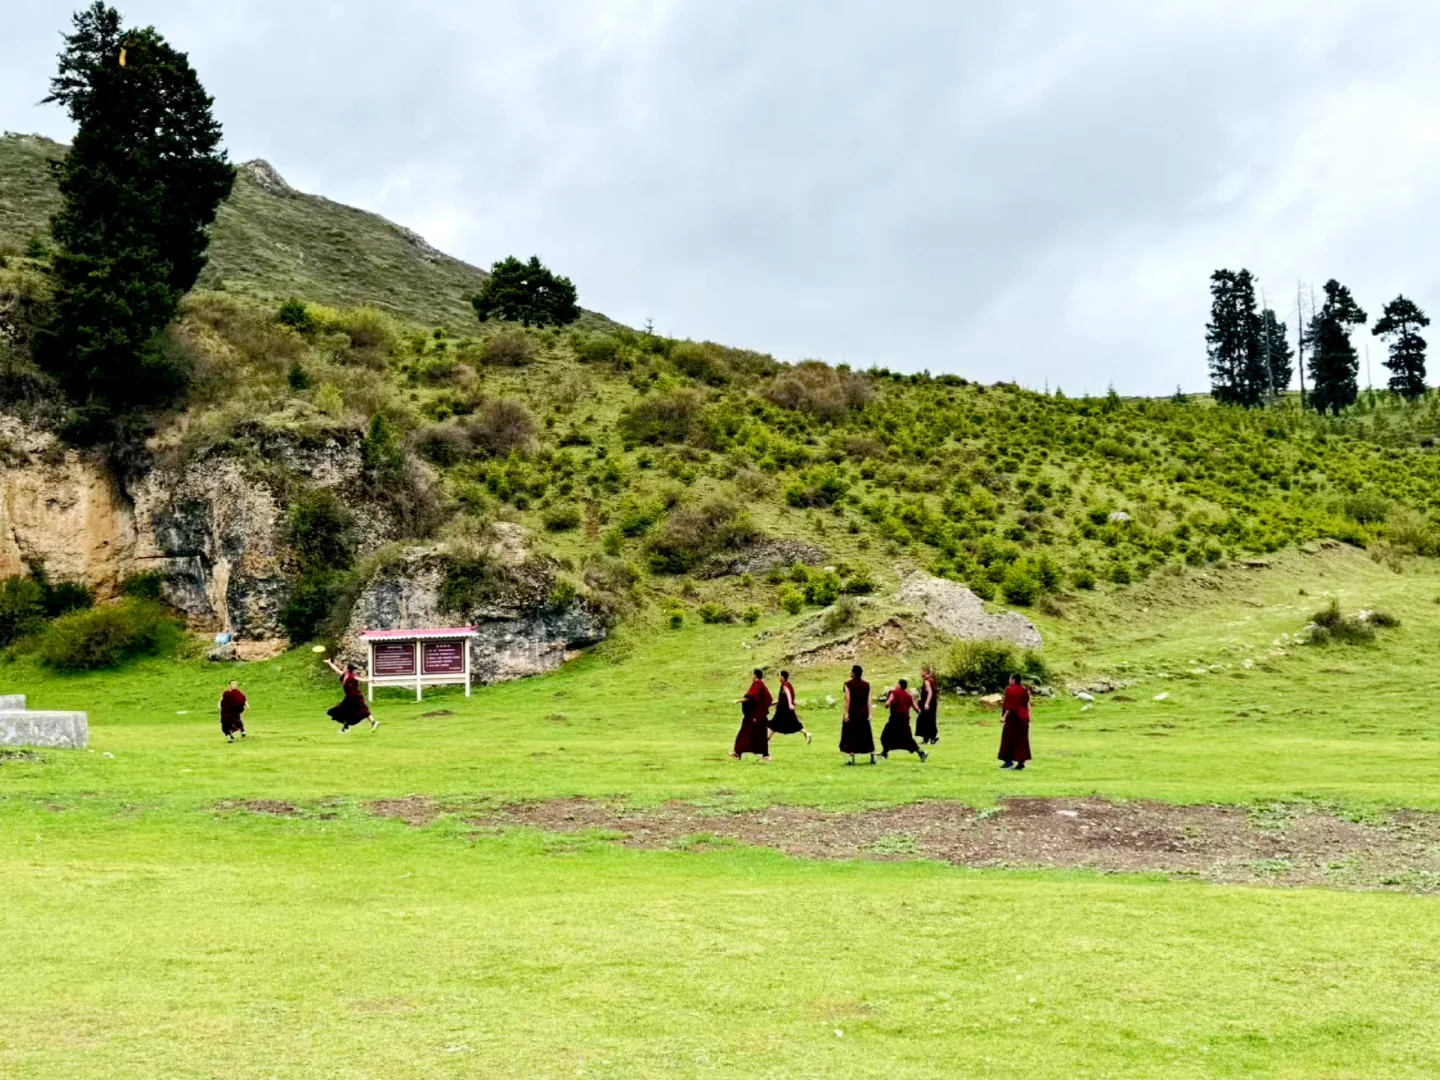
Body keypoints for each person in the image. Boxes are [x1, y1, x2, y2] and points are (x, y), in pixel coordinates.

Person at [324, 658, 379, 732]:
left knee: (363, 710)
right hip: (349, 698)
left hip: (356, 697)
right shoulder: (344, 675)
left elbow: (360, 679)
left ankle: (374, 722)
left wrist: (370, 680)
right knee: (342, 710)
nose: (343, 668)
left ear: (347, 669)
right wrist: (329, 663)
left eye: (345, 667)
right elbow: (336, 669)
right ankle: (346, 727)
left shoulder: (351, 676)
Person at [880, 678, 928, 761]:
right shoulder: (909, 696)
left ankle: (885, 753)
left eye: (897, 684)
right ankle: (921, 753)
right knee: (907, 738)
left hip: (894, 719)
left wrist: (887, 705)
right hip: (904, 720)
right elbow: (917, 709)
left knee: (885, 736)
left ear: (899, 685)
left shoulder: (894, 693)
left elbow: (887, 703)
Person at [731, 668, 773, 761]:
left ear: (755, 675)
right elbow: (769, 701)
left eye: (752, 674)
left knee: (745, 733)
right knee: (760, 735)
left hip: (754, 715)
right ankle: (765, 755)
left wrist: (738, 700)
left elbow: (751, 698)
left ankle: (737, 753)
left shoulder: (757, 684)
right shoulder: (763, 685)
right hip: (761, 716)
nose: (751, 676)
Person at [840, 664, 876, 766]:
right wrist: (870, 714)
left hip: (853, 713)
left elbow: (848, 699)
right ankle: (872, 755)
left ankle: (852, 759)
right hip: (864, 713)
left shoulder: (848, 684)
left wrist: (846, 713)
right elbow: (869, 700)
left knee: (851, 735)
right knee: (866, 735)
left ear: (854, 673)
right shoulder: (867, 685)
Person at [767, 670, 812, 745]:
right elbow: (786, 697)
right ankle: (806, 734)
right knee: (792, 723)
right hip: (786, 708)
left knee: (774, 724)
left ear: (782, 677)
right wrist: (777, 702)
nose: (778, 677)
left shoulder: (785, 685)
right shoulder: (788, 684)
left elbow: (788, 694)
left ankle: (766, 739)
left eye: (779, 675)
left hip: (783, 710)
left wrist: (790, 704)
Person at [998, 673, 1032, 770]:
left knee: (1008, 739)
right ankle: (1021, 763)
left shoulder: (1011, 690)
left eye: (1010, 679)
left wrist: (1004, 717)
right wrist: (1029, 717)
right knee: (1021, 741)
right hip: (1023, 719)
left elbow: (1010, 705)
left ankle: (1008, 762)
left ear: (1013, 680)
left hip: (1013, 718)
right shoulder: (1023, 690)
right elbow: (1027, 704)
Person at [915, 663, 940, 745]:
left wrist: (926, 703)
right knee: (930, 720)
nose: (920, 673)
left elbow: (930, 692)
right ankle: (929, 738)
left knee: (924, 720)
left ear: (925, 672)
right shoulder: (932, 680)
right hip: (933, 703)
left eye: (921, 671)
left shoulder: (927, 681)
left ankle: (930, 737)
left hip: (928, 704)